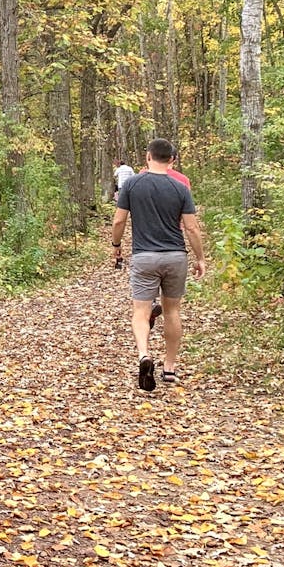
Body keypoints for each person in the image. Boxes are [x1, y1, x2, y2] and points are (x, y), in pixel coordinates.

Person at [111, 138, 206, 391]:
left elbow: (119, 222)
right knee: (172, 311)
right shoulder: (180, 188)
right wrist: (200, 258)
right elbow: (192, 228)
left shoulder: (132, 185)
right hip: (175, 256)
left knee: (141, 311)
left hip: (144, 257)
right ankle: (170, 369)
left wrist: (116, 246)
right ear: (172, 160)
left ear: (147, 157)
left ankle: (144, 355)